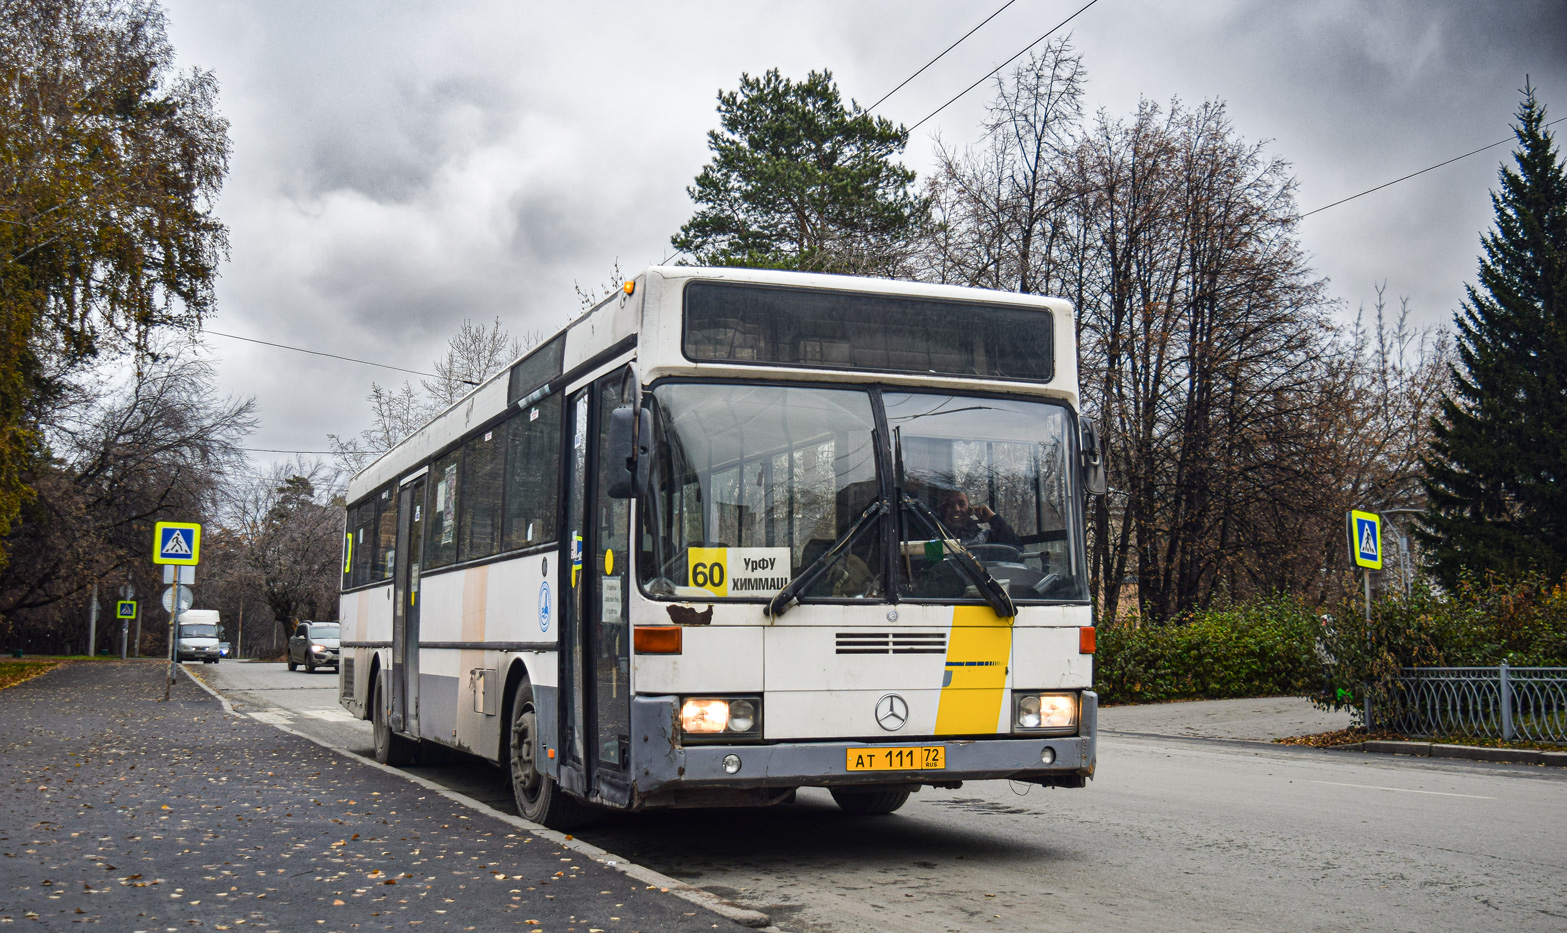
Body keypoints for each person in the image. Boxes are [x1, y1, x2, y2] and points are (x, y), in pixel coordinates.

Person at [935, 489, 1021, 548]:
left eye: (961, 504)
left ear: (970, 509)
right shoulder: (935, 539)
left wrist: (993, 518)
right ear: (943, 509)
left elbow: (1016, 549)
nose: (956, 509)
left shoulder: (985, 537)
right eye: (950, 504)